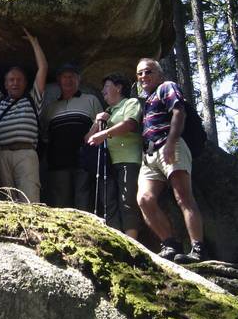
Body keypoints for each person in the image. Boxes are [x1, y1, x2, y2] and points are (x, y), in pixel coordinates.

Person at [134, 58, 205, 263]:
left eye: (148, 72)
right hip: (150, 155)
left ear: (159, 74)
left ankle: (198, 249)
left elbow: (178, 111)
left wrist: (172, 141)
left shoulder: (167, 87)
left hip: (170, 144)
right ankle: (170, 244)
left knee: (183, 197)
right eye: (139, 74)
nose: (143, 77)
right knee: (144, 199)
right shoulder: (146, 101)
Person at [0, 28, 47, 203]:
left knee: (30, 199)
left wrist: (34, 43)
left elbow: (42, 68)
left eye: (19, 79)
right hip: (2, 154)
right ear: (5, 84)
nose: (15, 83)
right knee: (7, 202)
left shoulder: (33, 99)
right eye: (11, 80)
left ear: (26, 83)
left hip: (26, 152)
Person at [85, 74, 144, 239]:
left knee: (127, 201)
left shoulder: (130, 103)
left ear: (118, 88)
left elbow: (130, 124)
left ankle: (132, 243)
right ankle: (117, 238)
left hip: (128, 160)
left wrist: (105, 133)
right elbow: (87, 139)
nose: (103, 91)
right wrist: (97, 123)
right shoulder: (106, 112)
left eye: (106, 86)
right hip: (107, 164)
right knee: (108, 202)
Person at [42, 64, 103, 209]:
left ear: (78, 80)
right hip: (58, 163)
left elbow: (102, 126)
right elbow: (45, 136)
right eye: (64, 77)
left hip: (83, 161)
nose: (68, 80)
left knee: (83, 201)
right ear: (59, 80)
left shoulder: (91, 100)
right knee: (60, 203)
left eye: (72, 77)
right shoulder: (50, 108)